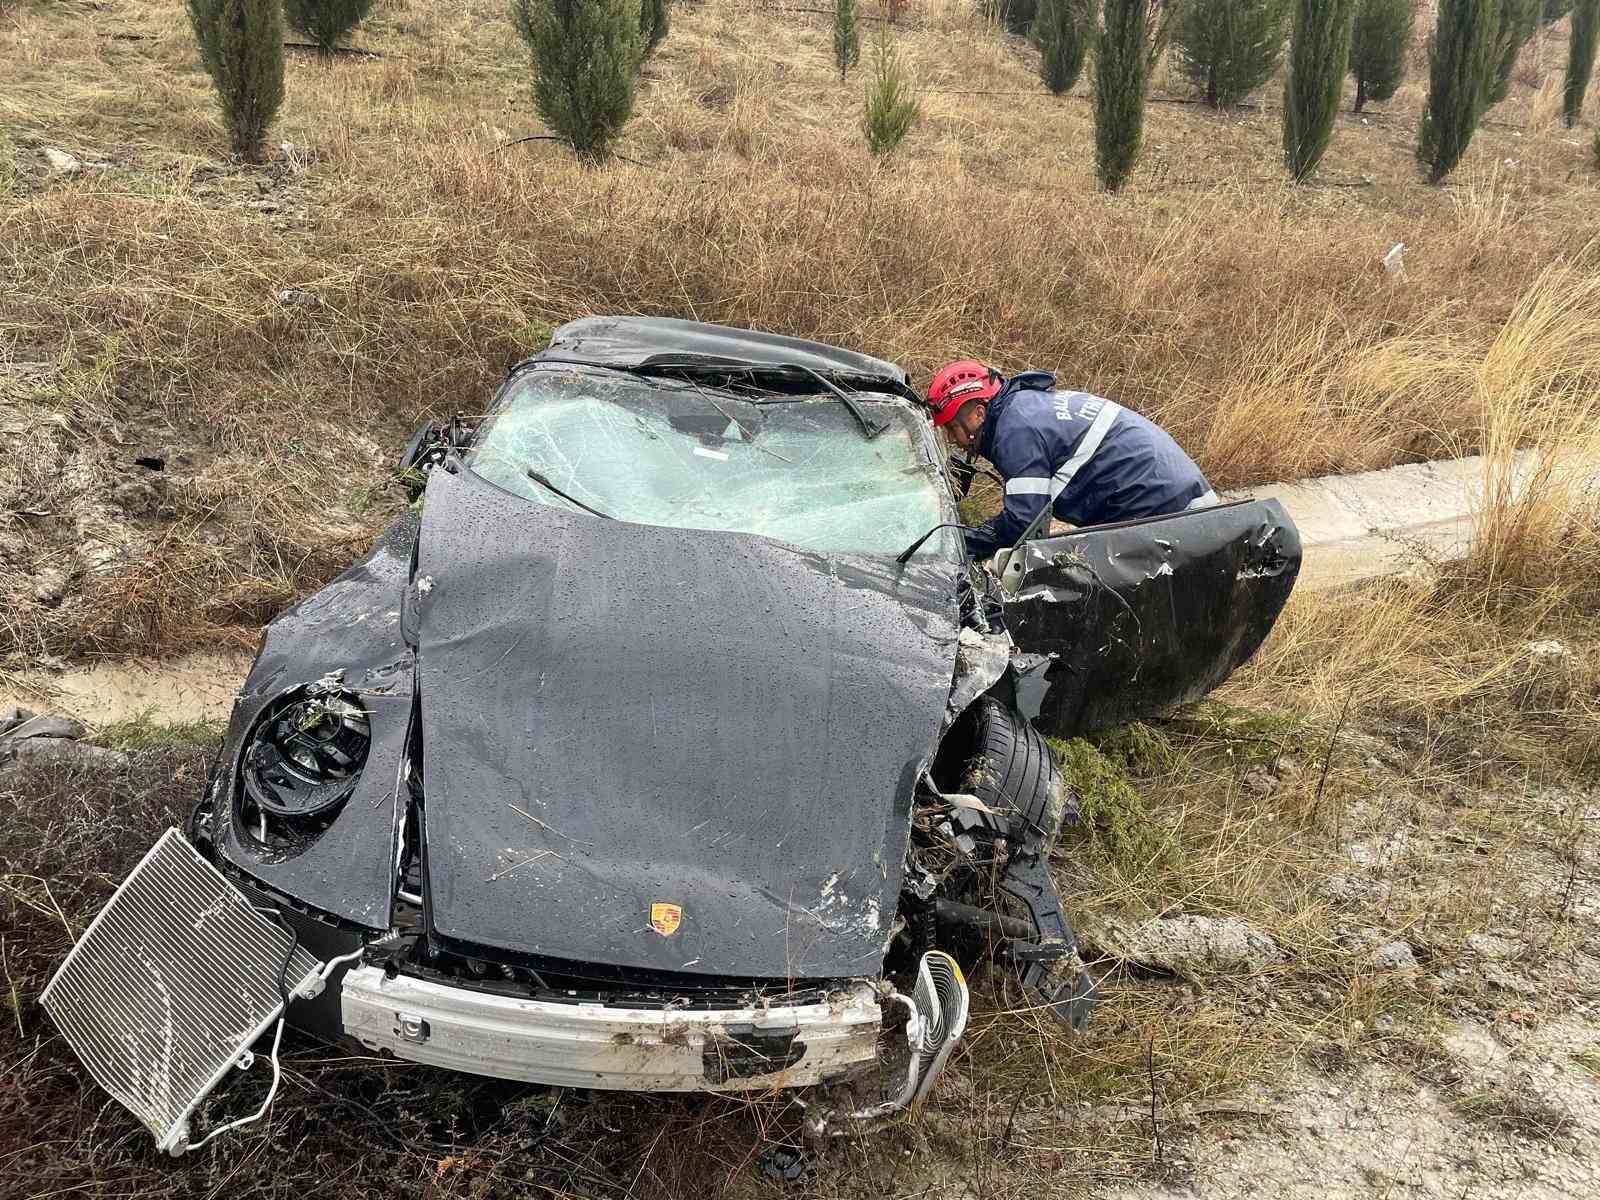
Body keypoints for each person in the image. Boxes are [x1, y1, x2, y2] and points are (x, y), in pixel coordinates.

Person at [925, 360, 1217, 563]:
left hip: (1165, 512)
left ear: (977, 414)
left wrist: (956, 546)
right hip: (1181, 495)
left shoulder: (1015, 431)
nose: (952, 439)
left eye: (952, 428)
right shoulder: (1026, 406)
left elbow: (1022, 524)